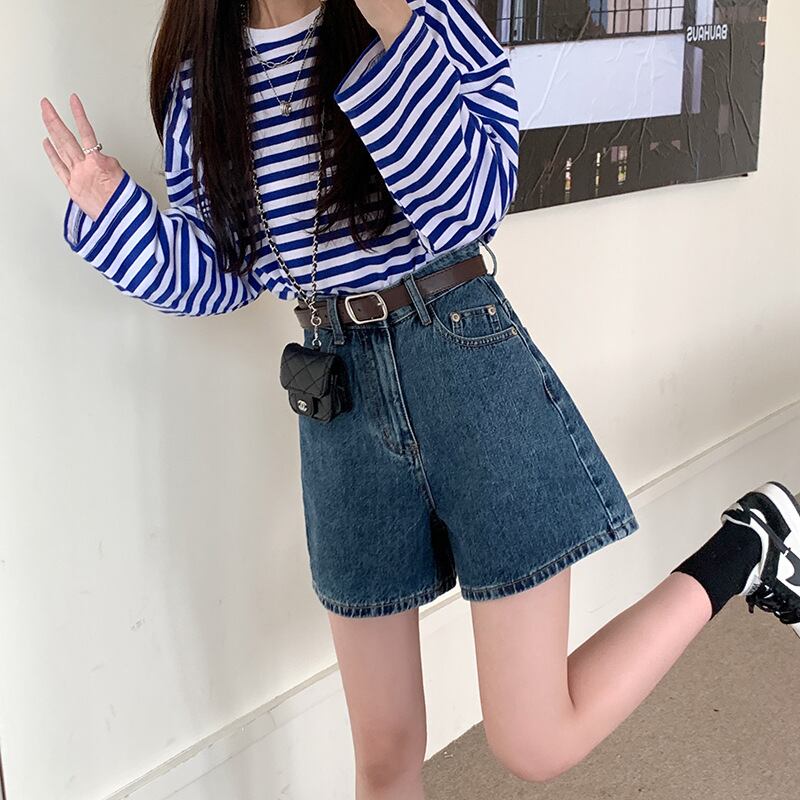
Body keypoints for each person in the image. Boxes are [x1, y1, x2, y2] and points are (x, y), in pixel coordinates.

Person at [40, 0, 799, 796]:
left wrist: (395, 33)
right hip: (337, 400)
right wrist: (113, 211)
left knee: (535, 739)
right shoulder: (205, 73)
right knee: (384, 751)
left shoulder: (419, 11)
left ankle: (748, 544)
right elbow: (223, 275)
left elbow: (474, 204)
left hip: (462, 353)